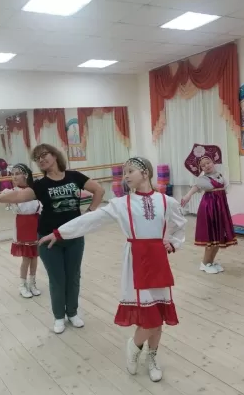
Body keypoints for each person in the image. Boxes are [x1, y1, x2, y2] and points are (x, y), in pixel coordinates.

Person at [38, 157, 186, 383]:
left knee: (158, 316)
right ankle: (134, 347)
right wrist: (59, 233)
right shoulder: (121, 204)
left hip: (158, 260)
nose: (125, 176)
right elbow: (91, 220)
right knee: (150, 319)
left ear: (145, 173)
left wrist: (173, 243)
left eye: (130, 171)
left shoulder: (166, 201)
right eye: (124, 172)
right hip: (136, 261)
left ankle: (152, 357)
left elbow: (180, 223)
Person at [0, 143, 105, 334]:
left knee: (73, 276)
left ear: (55, 155)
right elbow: (18, 196)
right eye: (37, 158)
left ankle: (72, 313)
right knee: (57, 279)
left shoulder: (74, 176)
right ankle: (59, 316)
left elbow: (99, 190)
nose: (41, 159)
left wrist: (89, 214)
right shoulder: (40, 185)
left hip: (74, 235)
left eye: (44, 155)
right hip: (48, 238)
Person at [181, 144, 237, 274]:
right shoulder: (202, 179)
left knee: (218, 237)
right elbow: (195, 188)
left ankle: (210, 262)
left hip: (220, 208)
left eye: (208, 162)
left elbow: (225, 189)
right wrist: (187, 196)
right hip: (209, 209)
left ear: (213, 162)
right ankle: (205, 263)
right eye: (203, 165)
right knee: (211, 238)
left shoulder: (220, 176)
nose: (207, 166)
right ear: (200, 168)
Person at [0, 163, 42, 298]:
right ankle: (22, 285)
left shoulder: (35, 190)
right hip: (22, 225)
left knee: (34, 256)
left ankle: (32, 283)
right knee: (26, 258)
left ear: (26, 175)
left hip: (36, 224)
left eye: (17, 174)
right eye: (12, 174)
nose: (14, 177)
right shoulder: (12, 192)